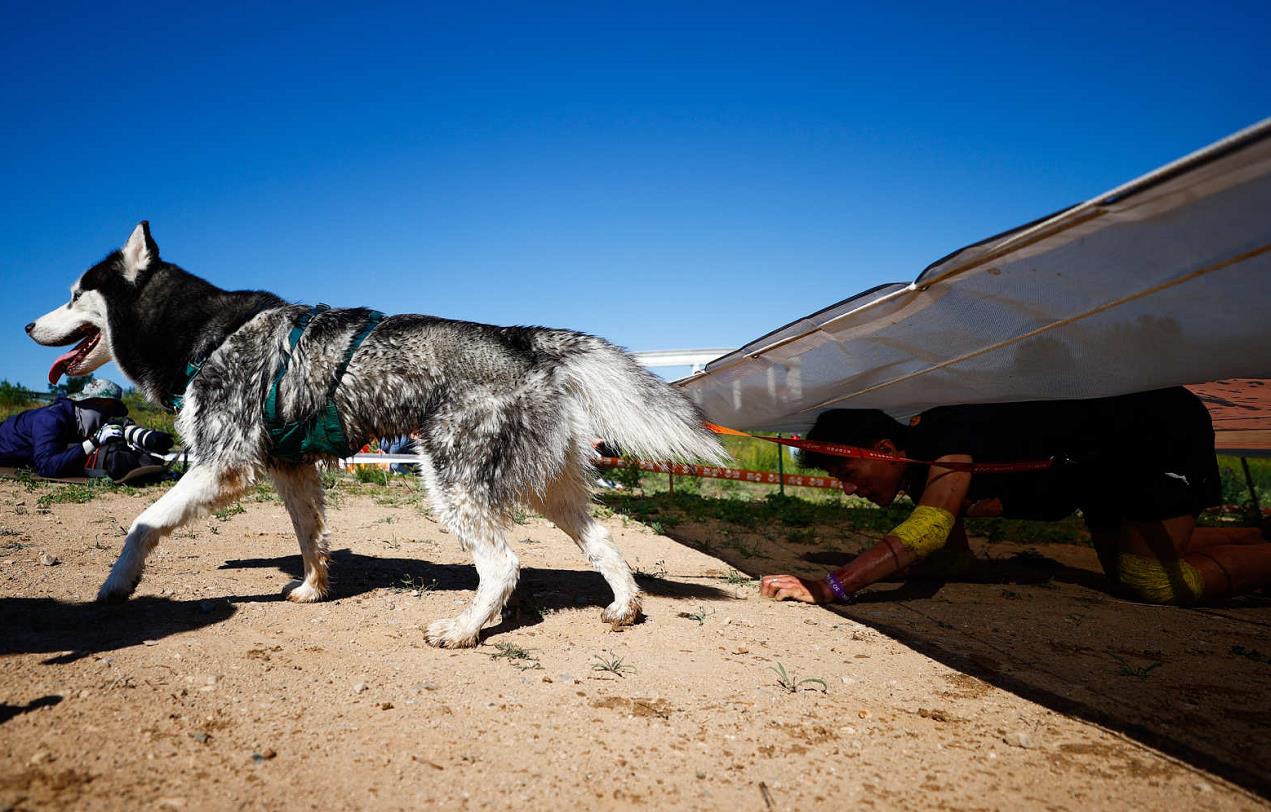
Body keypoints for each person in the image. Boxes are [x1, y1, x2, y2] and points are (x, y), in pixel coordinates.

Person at [760, 387, 1271, 607]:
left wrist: (831, 586)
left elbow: (930, 530)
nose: (848, 489)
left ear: (886, 449)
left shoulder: (944, 442)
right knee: (1127, 570)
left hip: (1152, 430)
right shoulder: (921, 471)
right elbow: (949, 555)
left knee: (1156, 580)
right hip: (1100, 459)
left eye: (848, 472)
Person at [0, 379, 171, 482]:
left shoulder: (77, 422)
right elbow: (46, 468)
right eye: (106, 412)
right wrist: (94, 442)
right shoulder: (51, 419)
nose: (107, 419)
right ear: (89, 404)